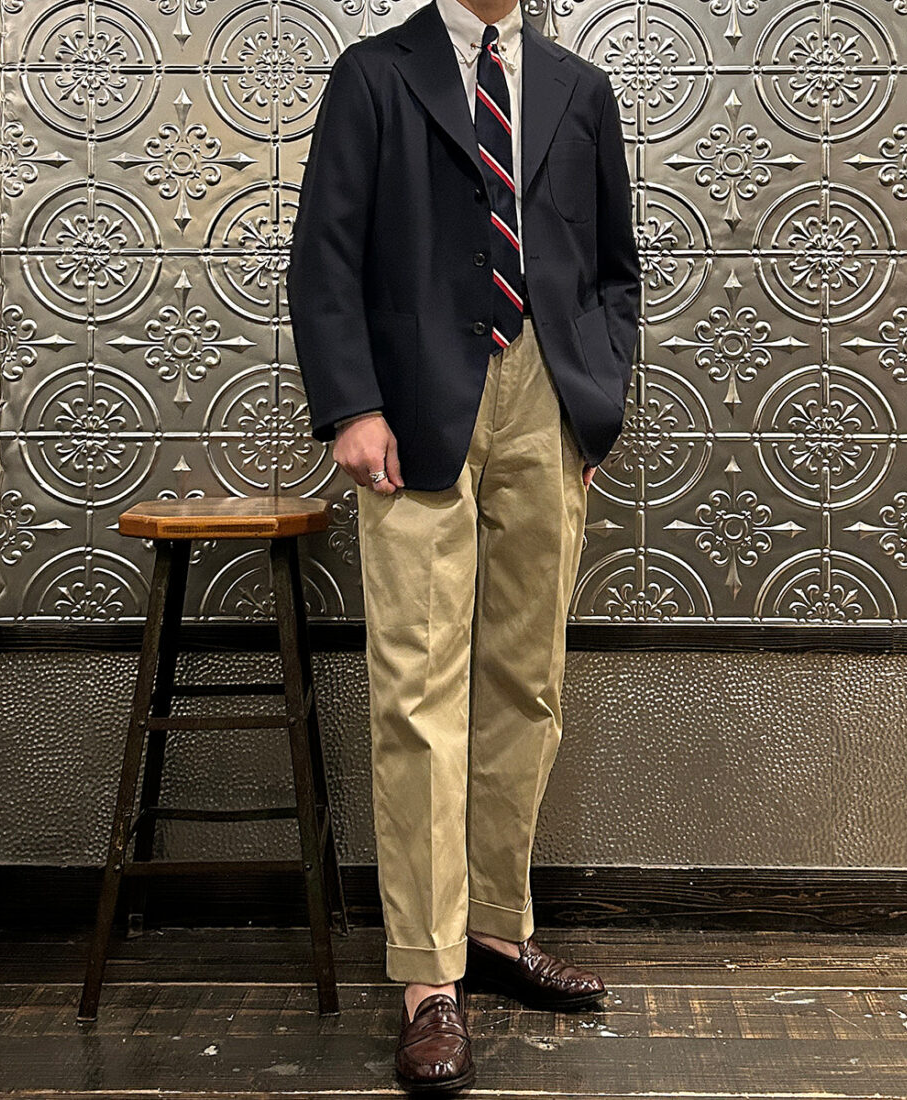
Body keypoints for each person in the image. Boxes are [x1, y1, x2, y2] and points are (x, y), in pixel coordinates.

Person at [286, 0, 639, 1090]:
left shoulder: (579, 88)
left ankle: (493, 928)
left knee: (526, 681)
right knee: (417, 689)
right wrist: (351, 406)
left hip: (547, 400)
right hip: (411, 408)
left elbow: (613, 267)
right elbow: (325, 253)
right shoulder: (373, 74)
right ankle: (428, 976)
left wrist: (593, 408)